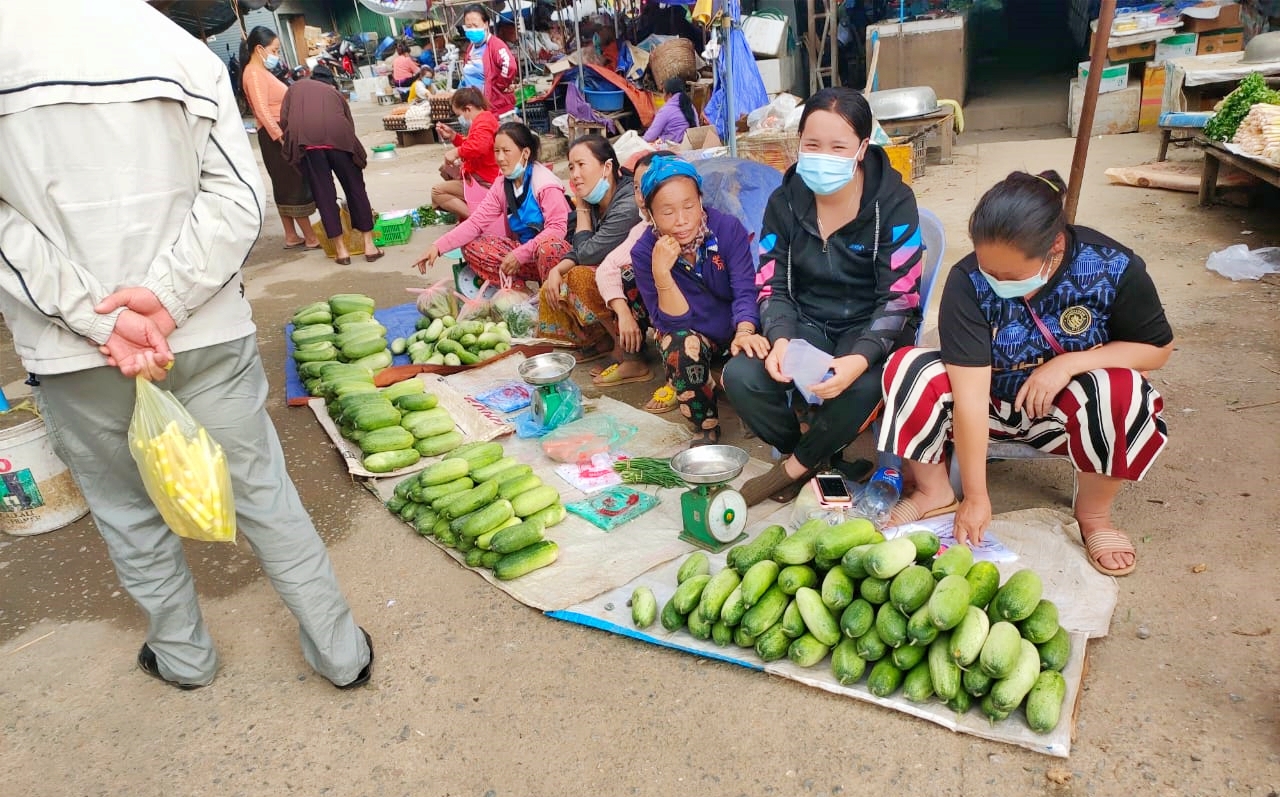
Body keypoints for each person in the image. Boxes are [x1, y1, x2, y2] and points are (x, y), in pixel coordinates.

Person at [0, 0, 372, 689]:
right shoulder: (178, 50)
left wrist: (95, 316)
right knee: (263, 491)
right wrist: (166, 300)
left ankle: (184, 654)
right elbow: (236, 199)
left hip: (76, 352)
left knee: (126, 508)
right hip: (201, 329)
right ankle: (341, 650)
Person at [878, 170, 1173, 577]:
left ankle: (1093, 516)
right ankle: (934, 491)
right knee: (908, 366)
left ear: (1055, 246)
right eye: (988, 271)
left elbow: (1157, 349)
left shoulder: (1112, 266)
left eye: (1010, 277)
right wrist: (976, 497)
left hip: (1066, 419)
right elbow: (969, 398)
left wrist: (1069, 363)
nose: (996, 283)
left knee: (1122, 388)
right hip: (989, 410)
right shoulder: (967, 282)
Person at [724, 87, 922, 507]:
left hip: (870, 325)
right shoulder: (785, 201)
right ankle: (819, 455)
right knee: (742, 377)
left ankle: (792, 469)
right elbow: (771, 283)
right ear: (799, 144)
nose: (823, 155)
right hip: (805, 323)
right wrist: (779, 337)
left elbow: (900, 297)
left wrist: (860, 356)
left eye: (839, 146)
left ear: (863, 147)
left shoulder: (895, 203)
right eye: (812, 144)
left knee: (866, 383)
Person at [631, 158, 766, 445]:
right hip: (693, 334)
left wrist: (744, 331)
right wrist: (662, 274)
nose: (681, 220)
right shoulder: (644, 252)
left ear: (701, 200)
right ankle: (705, 425)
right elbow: (670, 322)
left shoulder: (727, 229)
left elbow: (744, 290)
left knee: (764, 324)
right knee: (678, 344)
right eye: (667, 212)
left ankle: (757, 410)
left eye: (689, 206)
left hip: (734, 327)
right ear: (650, 214)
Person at [414, 121, 571, 283]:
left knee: (549, 247)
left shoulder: (545, 184)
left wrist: (520, 254)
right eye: (496, 151)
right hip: (524, 257)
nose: (500, 158)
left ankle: (552, 296)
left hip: (556, 260)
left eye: (506, 151)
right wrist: (437, 247)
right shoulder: (503, 184)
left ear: (525, 153)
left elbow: (557, 229)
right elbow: (476, 223)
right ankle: (518, 294)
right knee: (472, 246)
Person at [538, 136, 641, 360]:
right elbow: (579, 249)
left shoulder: (628, 203)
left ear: (607, 167)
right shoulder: (596, 199)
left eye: (581, 165)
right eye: (571, 167)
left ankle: (626, 349)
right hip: (609, 269)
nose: (574, 175)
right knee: (555, 272)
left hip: (638, 279)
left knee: (579, 275)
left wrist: (583, 210)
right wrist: (556, 270)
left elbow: (588, 253)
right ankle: (599, 337)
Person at [281, 65, 384, 265]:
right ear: (330, 81)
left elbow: (285, 120)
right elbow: (348, 123)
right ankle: (369, 246)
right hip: (340, 141)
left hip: (309, 144)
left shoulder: (295, 88)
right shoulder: (334, 93)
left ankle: (341, 251)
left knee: (324, 196)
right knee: (355, 188)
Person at [591, 152, 670, 391]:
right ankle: (632, 358)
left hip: (701, 319)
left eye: (649, 185)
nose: (641, 196)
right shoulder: (643, 230)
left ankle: (680, 373)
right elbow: (606, 267)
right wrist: (624, 313)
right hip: (663, 312)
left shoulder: (699, 226)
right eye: (637, 187)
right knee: (626, 274)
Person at [239, 26, 321, 250]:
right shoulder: (254, 74)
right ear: (259, 49)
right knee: (293, 182)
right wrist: (281, 137)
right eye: (274, 50)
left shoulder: (260, 72)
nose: (276, 55)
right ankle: (311, 237)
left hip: (277, 132)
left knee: (283, 183)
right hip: (275, 134)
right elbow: (262, 109)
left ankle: (291, 235)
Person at [431, 87, 501, 222]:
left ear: (468, 109)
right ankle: (471, 216)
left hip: (486, 179)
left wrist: (456, 152)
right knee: (445, 170)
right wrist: (453, 136)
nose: (460, 119)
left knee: (437, 191)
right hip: (481, 174)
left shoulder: (484, 121)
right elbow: (472, 143)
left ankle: (479, 222)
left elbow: (478, 146)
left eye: (459, 115)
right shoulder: (482, 120)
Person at [460, 4, 516, 117]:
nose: (472, 29)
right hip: (477, 110)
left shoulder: (495, 45)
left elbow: (510, 66)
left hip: (495, 110)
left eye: (475, 25)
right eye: (468, 26)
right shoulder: (471, 48)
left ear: (485, 24)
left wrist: (498, 85)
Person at [644, 77, 697, 145]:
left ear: (669, 94)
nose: (663, 96)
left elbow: (649, 137)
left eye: (663, 92)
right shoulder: (691, 106)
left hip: (672, 148)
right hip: (691, 145)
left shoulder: (666, 110)